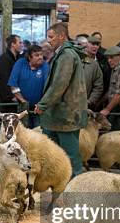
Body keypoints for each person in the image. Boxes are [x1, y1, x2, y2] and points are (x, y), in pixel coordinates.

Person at [35, 23, 88, 178]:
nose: (48, 40)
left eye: (51, 37)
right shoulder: (62, 54)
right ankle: (60, 185)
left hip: (66, 115)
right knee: (55, 153)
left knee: (70, 156)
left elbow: (59, 84)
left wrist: (43, 104)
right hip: (60, 114)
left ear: (62, 36)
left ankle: (74, 189)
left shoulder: (67, 55)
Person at [7, 44, 49, 128]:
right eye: (37, 55)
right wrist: (23, 101)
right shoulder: (20, 63)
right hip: (23, 106)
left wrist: (42, 103)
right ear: (29, 57)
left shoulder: (45, 66)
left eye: (41, 54)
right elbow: (13, 84)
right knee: (24, 132)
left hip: (39, 107)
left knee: (38, 132)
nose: (40, 57)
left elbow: (48, 86)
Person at [0, 34, 22, 114]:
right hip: (7, 101)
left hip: (16, 98)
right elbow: (5, 80)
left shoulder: (19, 59)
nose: (21, 45)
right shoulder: (3, 60)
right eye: (19, 43)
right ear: (13, 44)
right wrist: (12, 96)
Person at [76, 35, 104, 109]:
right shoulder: (73, 61)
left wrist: (90, 101)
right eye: (93, 44)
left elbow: (98, 86)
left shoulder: (94, 64)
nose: (95, 47)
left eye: (97, 45)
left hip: (86, 105)